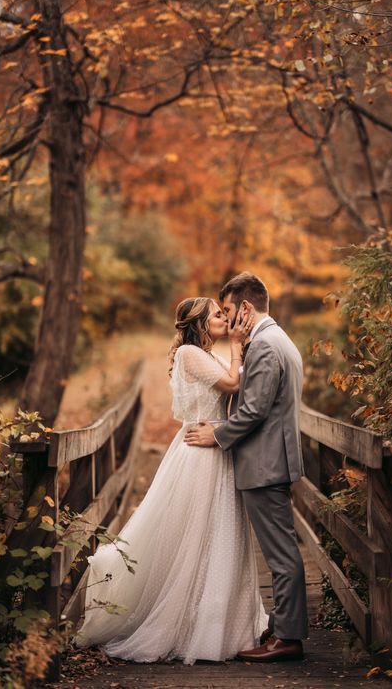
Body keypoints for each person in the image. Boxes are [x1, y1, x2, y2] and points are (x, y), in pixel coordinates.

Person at [75, 296, 268, 664]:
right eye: (216, 314)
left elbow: (236, 387)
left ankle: (218, 621)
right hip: (200, 451)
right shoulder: (189, 354)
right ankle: (187, 621)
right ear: (197, 322)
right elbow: (231, 383)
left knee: (220, 532)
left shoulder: (205, 355)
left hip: (215, 444)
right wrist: (239, 345)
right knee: (196, 532)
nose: (223, 318)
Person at [184, 272, 308, 662]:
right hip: (269, 459)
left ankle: (287, 639)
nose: (227, 317)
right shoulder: (276, 339)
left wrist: (216, 434)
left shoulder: (267, 346)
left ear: (246, 308)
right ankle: (283, 626)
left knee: (281, 554)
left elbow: (254, 409)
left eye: (229, 310)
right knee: (281, 550)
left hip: (265, 462)